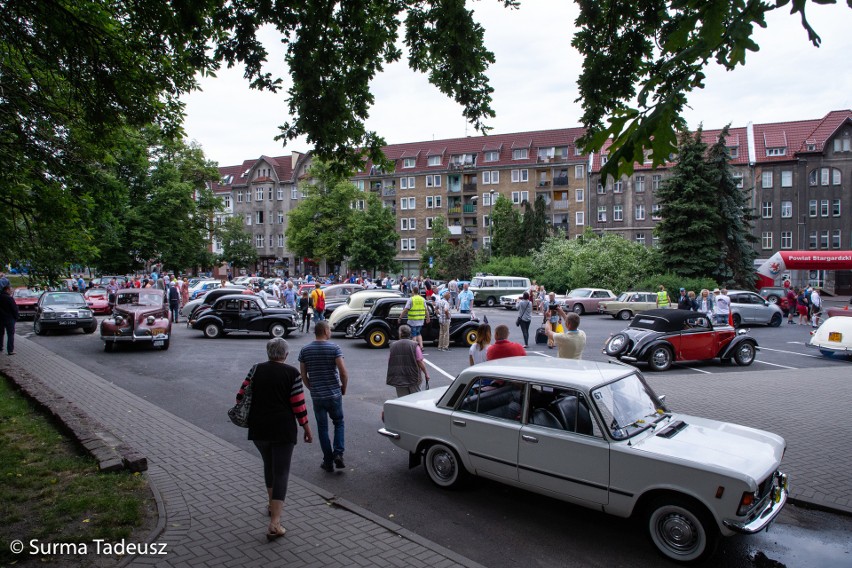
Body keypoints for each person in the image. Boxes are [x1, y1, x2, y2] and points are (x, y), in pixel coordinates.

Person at [238, 338, 312, 541]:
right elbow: (298, 404)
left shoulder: (256, 369)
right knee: (281, 472)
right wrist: (306, 427)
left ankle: (272, 506)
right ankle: (275, 523)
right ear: (286, 355)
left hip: (259, 428)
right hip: (282, 430)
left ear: (268, 352)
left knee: (269, 466)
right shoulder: (292, 373)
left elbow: (241, 395)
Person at [299, 321, 348, 473]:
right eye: (330, 330)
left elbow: (303, 374)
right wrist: (343, 388)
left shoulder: (305, 350)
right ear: (326, 331)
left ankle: (328, 461)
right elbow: (343, 372)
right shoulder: (334, 348)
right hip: (334, 394)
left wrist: (311, 388)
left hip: (317, 396)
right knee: (338, 422)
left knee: (322, 428)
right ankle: (338, 453)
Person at [386, 325, 430, 397]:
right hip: (413, 377)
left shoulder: (393, 346)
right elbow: (420, 362)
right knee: (416, 398)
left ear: (400, 333)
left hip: (399, 377)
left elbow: (390, 361)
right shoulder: (414, 345)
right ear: (409, 333)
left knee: (403, 400)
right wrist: (426, 373)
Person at [400, 286, 430, 350]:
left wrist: (400, 317)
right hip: (421, 319)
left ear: (413, 291)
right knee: (418, 333)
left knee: (413, 334)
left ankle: (414, 347)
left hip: (413, 319)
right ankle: (421, 346)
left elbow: (406, 309)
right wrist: (428, 318)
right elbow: (426, 310)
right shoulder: (422, 299)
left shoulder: (411, 299)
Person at [0, 278, 19, 355]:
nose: (11, 290)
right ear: (7, 289)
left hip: (0, 319)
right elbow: (14, 309)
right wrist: (16, 317)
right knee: (10, 334)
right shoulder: (9, 298)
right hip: (9, 319)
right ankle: (10, 350)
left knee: (0, 334)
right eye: (10, 289)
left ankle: (0, 347)